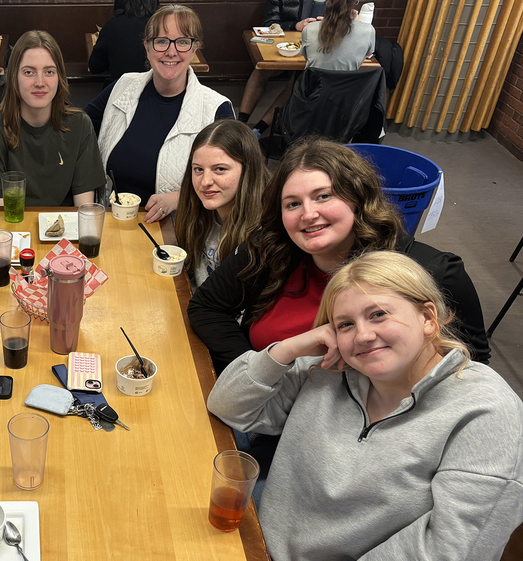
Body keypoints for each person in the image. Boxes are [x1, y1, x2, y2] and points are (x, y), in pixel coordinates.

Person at [206, 250, 523, 561]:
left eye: (378, 314)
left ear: (428, 317)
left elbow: (447, 552)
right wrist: (287, 348)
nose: (362, 335)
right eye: (344, 323)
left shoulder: (487, 415)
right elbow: (229, 406)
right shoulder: (333, 371)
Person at [188, 137, 489, 375]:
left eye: (323, 196)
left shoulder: (434, 272)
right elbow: (206, 307)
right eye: (292, 204)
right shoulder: (270, 248)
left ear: (358, 197)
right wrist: (257, 370)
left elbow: (469, 367)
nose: (308, 214)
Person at [84, 5, 234, 226]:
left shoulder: (215, 109)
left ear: (195, 48)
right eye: (161, 41)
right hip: (113, 223)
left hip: (178, 234)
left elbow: (235, 181)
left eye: (183, 42)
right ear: (147, 47)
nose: (171, 52)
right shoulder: (123, 86)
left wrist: (180, 198)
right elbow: (78, 129)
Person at [0, 30, 105, 208]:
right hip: (13, 230)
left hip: (67, 231)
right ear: (13, 77)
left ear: (59, 77)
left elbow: (85, 211)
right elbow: (2, 217)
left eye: (49, 72)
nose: (40, 82)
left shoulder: (80, 126)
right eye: (29, 72)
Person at [175, 119, 266, 288]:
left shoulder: (263, 235)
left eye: (220, 169)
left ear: (248, 170)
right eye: (198, 169)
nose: (205, 182)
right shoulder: (199, 211)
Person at [238, 0, 324, 133]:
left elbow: (343, 25)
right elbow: (268, 23)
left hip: (317, 50)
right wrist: (295, 25)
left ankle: (258, 130)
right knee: (261, 70)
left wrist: (330, 25)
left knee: (297, 81)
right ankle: (240, 124)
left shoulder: (336, 4)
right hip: (284, 47)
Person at [87, 0, 159, 86]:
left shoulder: (111, 26)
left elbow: (95, 67)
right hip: (156, 91)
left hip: (119, 91)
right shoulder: (159, 26)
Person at [302, 0, 375, 70]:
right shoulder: (368, 31)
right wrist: (356, 22)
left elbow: (309, 60)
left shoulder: (309, 29)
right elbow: (358, 63)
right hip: (348, 82)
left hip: (315, 82)